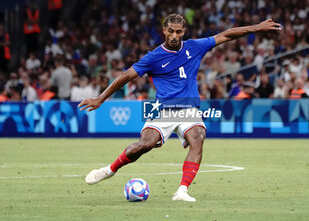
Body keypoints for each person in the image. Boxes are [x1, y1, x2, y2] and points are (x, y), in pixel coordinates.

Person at [78, 14, 281, 202]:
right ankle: (110, 170)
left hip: (190, 110)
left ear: (183, 32)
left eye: (179, 31)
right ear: (164, 30)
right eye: (171, 31)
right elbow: (125, 76)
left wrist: (256, 27)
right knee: (145, 145)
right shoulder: (154, 57)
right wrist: (100, 98)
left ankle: (182, 190)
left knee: (198, 137)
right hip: (164, 110)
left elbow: (226, 35)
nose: (174, 35)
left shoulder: (195, 47)